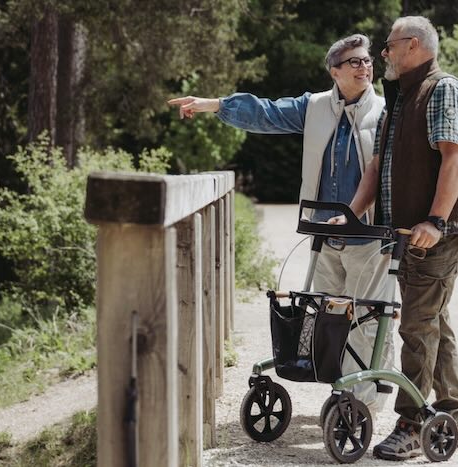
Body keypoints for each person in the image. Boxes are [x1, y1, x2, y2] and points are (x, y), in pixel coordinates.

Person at [168, 34, 395, 415]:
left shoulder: (388, 112)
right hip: (323, 234)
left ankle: (363, 405)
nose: (365, 67)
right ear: (334, 71)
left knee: (368, 320)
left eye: (367, 60)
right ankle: (342, 395)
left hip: (368, 235)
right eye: (354, 62)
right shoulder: (315, 107)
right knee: (327, 317)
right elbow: (266, 113)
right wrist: (214, 105)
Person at [329, 16, 458, 460]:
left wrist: (436, 220)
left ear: (412, 45)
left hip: (441, 231)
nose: (384, 55)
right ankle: (452, 418)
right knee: (433, 320)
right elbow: (376, 167)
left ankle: (413, 424)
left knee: (416, 323)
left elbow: (454, 160)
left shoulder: (442, 90)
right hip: (409, 233)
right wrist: (351, 214)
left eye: (389, 46)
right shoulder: (400, 99)